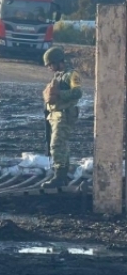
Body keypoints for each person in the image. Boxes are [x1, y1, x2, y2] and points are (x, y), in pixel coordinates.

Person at [41, 46, 82, 189]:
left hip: (64, 115)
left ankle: (59, 176)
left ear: (58, 61)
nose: (50, 68)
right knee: (62, 145)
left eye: (50, 64)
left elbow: (77, 93)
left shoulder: (71, 75)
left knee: (57, 145)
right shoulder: (58, 76)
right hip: (55, 114)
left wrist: (59, 94)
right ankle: (62, 175)